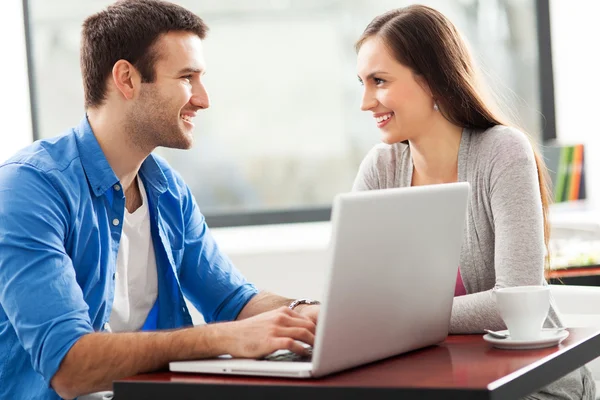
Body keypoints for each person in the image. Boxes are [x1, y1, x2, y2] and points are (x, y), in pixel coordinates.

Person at [0, 1, 320, 399]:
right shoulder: (29, 189)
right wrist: (224, 338)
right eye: (187, 78)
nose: (203, 99)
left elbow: (233, 301)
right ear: (127, 79)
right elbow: (69, 367)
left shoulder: (165, 187)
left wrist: (308, 314)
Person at [353, 5, 594, 400]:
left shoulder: (502, 151)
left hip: (530, 385)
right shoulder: (381, 167)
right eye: (363, 82)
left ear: (432, 80)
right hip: (436, 380)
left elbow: (515, 302)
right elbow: (359, 300)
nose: (366, 102)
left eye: (379, 81)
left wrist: (397, 318)